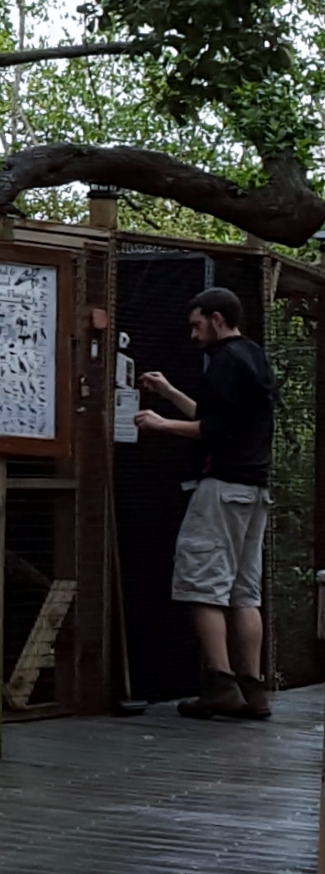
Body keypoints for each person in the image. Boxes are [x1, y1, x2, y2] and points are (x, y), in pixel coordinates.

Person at [135, 287, 275, 720]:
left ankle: (220, 682)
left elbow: (214, 431)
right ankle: (254, 689)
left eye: (197, 325)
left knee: (202, 583)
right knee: (244, 591)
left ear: (217, 319)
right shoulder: (254, 357)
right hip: (255, 491)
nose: (193, 335)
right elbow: (219, 417)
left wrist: (160, 424)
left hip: (222, 486)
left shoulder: (221, 365)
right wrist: (171, 392)